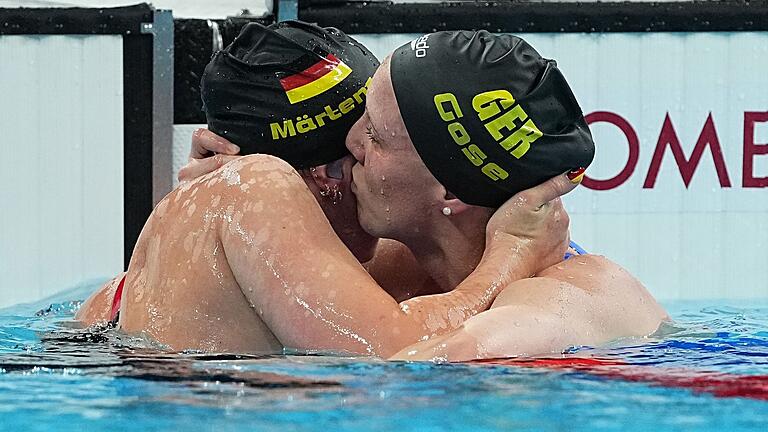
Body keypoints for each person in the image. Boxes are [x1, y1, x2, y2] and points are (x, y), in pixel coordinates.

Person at [76, 22, 575, 357]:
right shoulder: (258, 185)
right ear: (311, 174)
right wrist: (510, 256)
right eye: (352, 159)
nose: (361, 181)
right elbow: (396, 354)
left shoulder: (117, 295)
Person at [183, 30, 668, 361]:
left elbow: (406, 372)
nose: (353, 145)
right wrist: (214, 218)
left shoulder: (560, 303)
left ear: (451, 188)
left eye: (374, 134)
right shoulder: (405, 267)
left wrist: (511, 259)